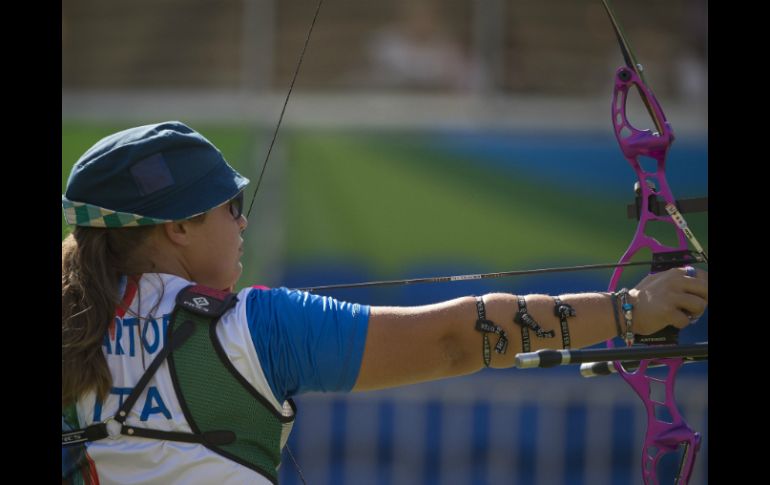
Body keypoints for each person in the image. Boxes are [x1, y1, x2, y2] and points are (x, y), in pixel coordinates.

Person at [61, 121, 708, 484]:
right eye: (231, 206)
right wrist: (631, 310)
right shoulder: (253, 330)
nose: (243, 222)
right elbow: (458, 336)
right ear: (177, 226)